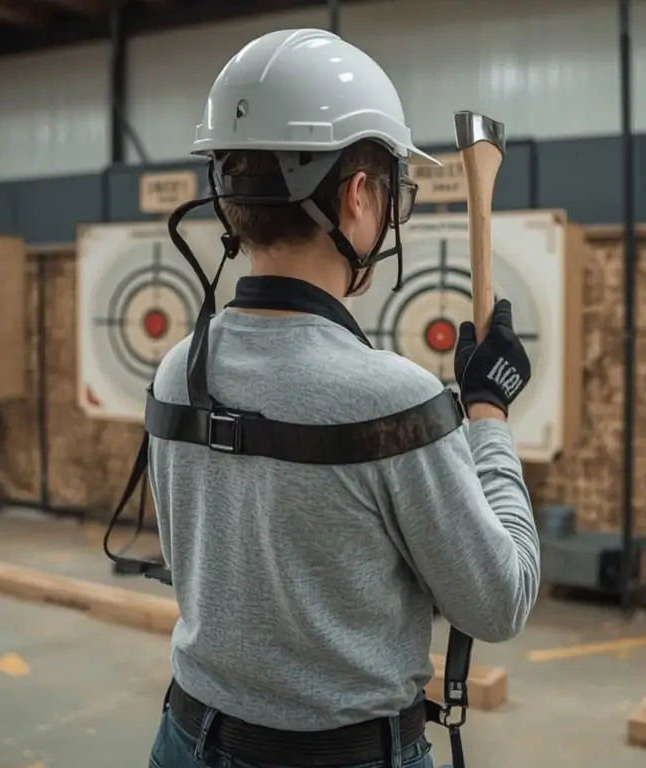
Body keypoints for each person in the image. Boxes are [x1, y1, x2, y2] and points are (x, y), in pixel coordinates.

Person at [144, 28, 541, 768]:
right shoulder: (394, 401)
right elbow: (500, 598)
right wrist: (486, 411)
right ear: (358, 196)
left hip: (184, 739)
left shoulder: (177, 372)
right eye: (395, 192)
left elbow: (192, 562)